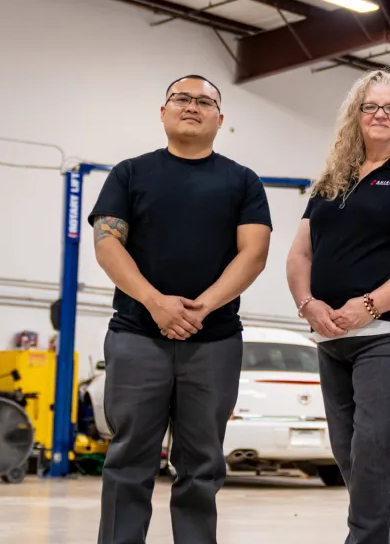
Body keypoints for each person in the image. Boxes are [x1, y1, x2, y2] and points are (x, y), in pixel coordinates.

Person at [90, 74, 273, 544]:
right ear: (163, 110)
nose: (192, 106)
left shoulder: (242, 181)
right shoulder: (129, 173)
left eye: (204, 101)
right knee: (129, 458)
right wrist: (155, 303)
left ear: (220, 118)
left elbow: (253, 253)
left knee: (202, 464)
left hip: (212, 344)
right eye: (181, 98)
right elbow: (108, 244)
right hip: (136, 335)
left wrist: (201, 308)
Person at [286, 70, 390, 544]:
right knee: (352, 456)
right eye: (370, 107)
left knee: (375, 449)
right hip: (332, 334)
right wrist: (308, 303)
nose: (380, 115)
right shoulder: (331, 182)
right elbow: (300, 253)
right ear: (355, 116)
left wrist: (369, 305)